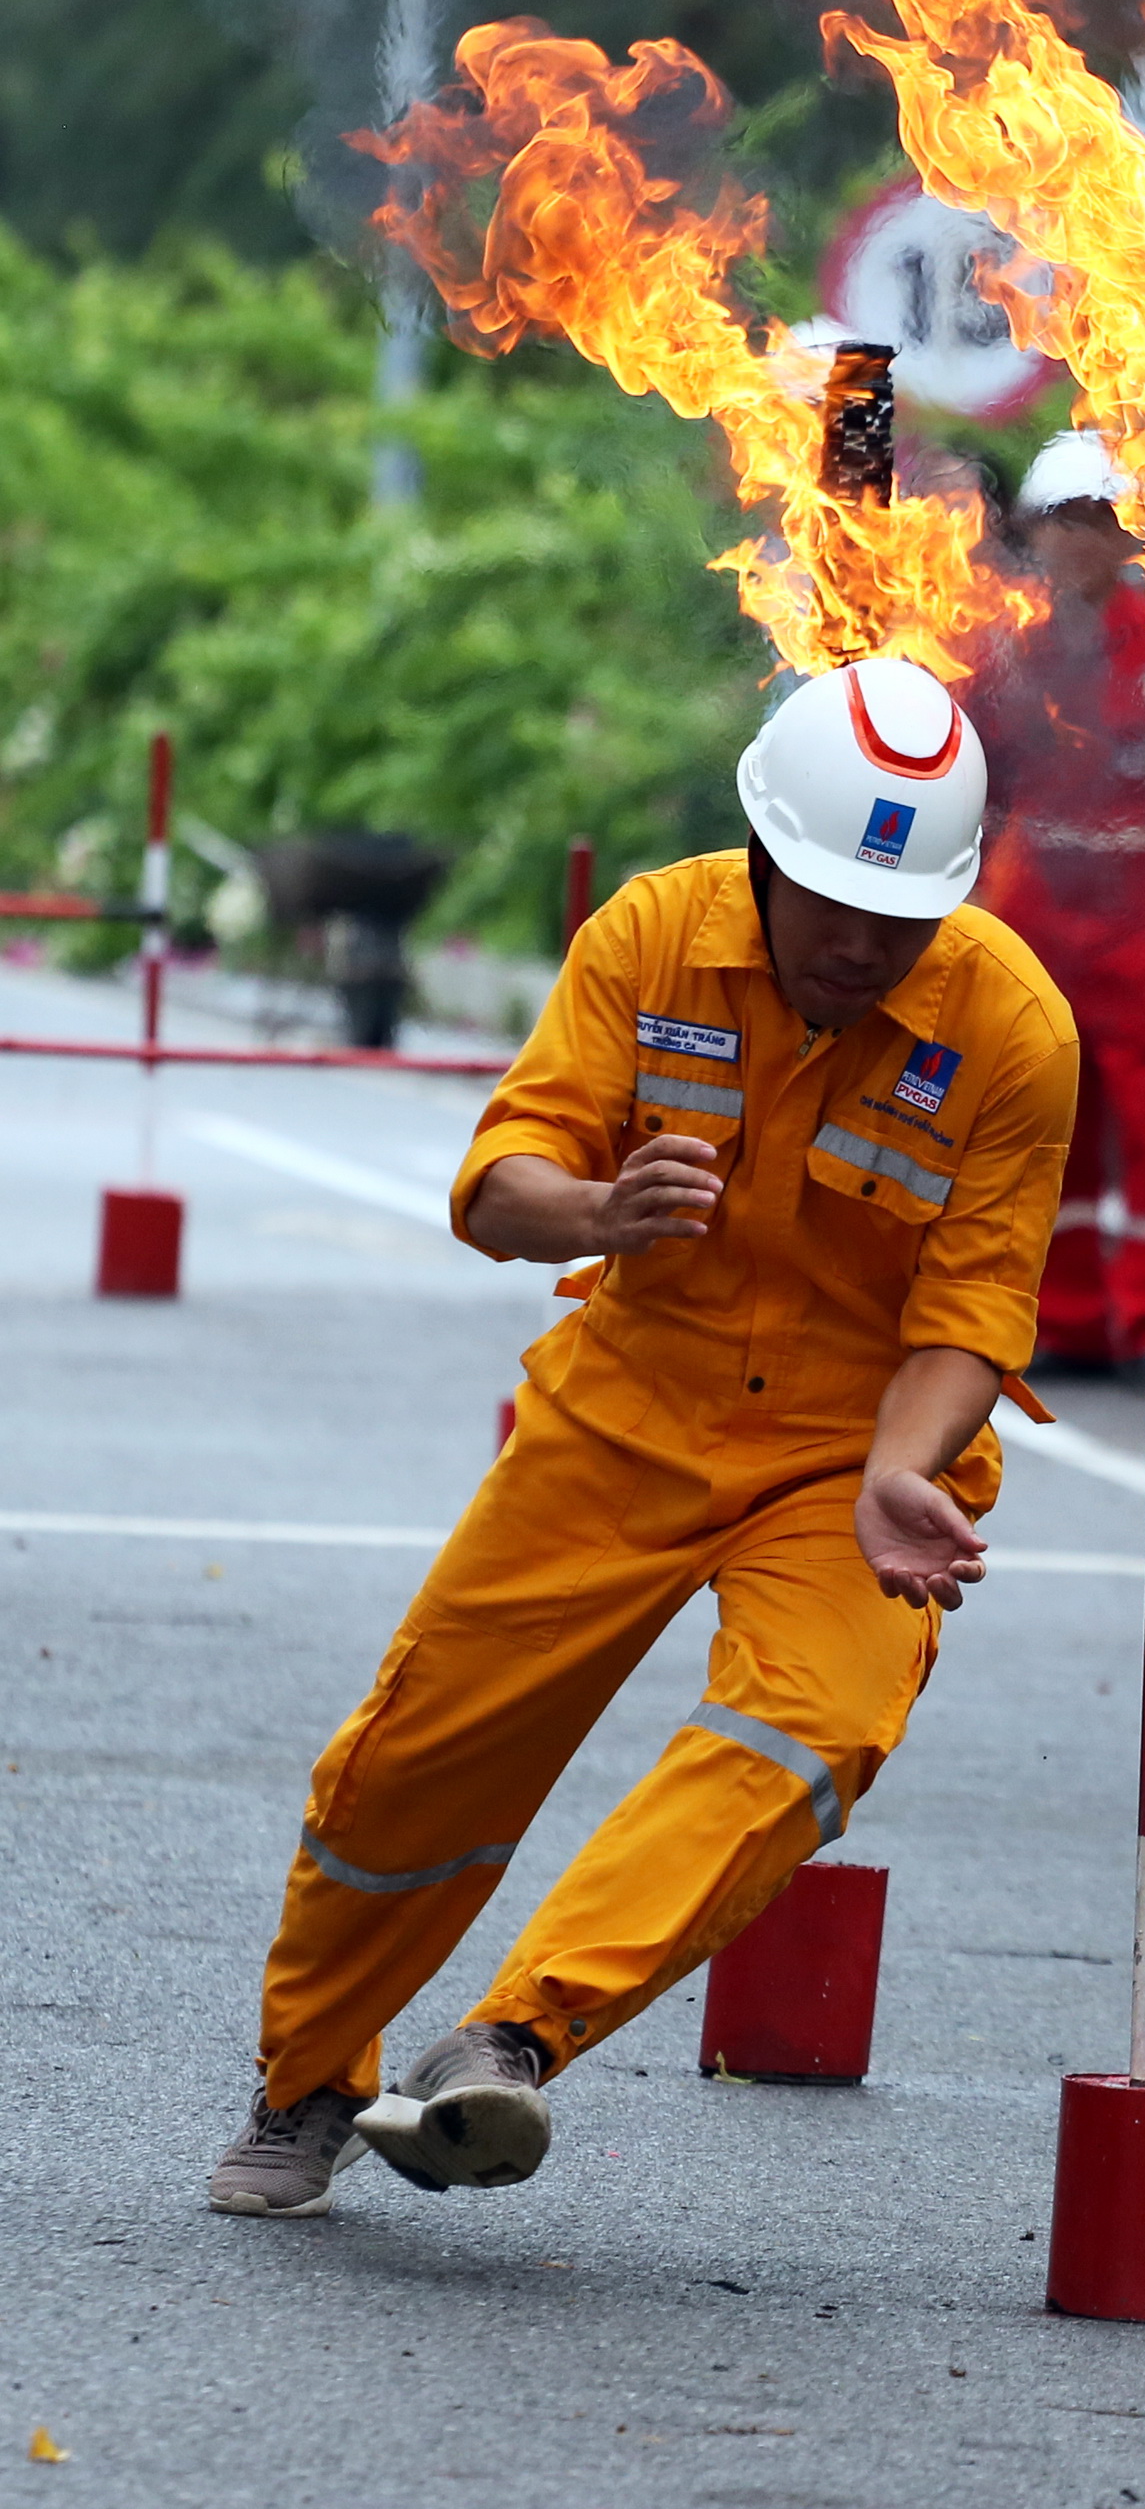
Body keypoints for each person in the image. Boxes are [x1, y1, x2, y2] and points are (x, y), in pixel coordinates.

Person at [207, 655, 1079, 2215]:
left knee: (806, 1732)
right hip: (627, 1404)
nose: (864, 948)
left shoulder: (1012, 1029)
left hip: (852, 1450)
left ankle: (514, 2037)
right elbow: (495, 1182)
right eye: (832, 908)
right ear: (764, 854)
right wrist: (600, 1207)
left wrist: (901, 1465)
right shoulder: (654, 932)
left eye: (904, 923)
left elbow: (976, 1301)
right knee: (420, 1758)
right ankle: (306, 2080)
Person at [970, 430, 1145, 1371]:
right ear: (1035, 531)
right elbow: (983, 781)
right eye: (1064, 521)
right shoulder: (1008, 651)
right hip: (1036, 901)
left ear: (1129, 538)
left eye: (1100, 520)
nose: (1080, 540)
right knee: (1045, 1112)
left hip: (1143, 907)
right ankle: (1062, 1311)